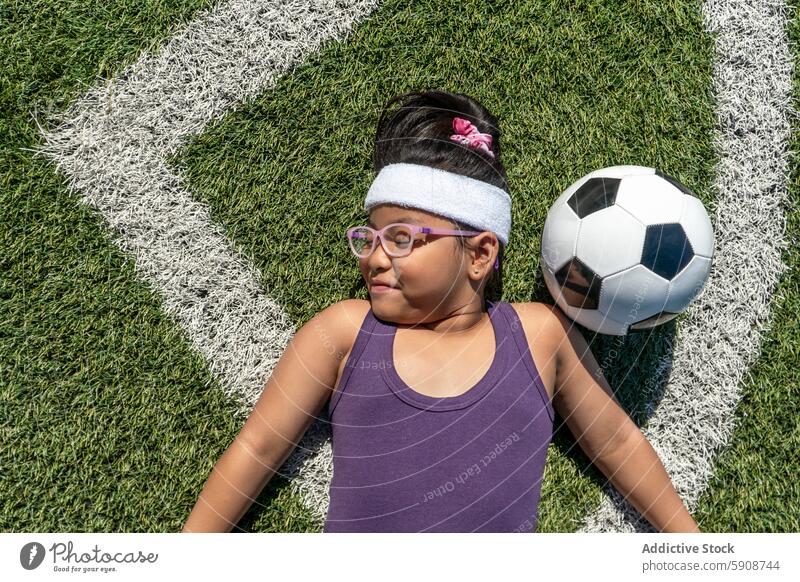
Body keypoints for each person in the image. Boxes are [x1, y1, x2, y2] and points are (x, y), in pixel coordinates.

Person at [181, 90, 700, 533]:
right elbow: (260, 446)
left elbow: (614, 441)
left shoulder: (539, 335)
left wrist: (694, 547)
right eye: (371, 236)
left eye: (403, 238)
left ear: (479, 255)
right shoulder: (343, 332)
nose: (376, 256)